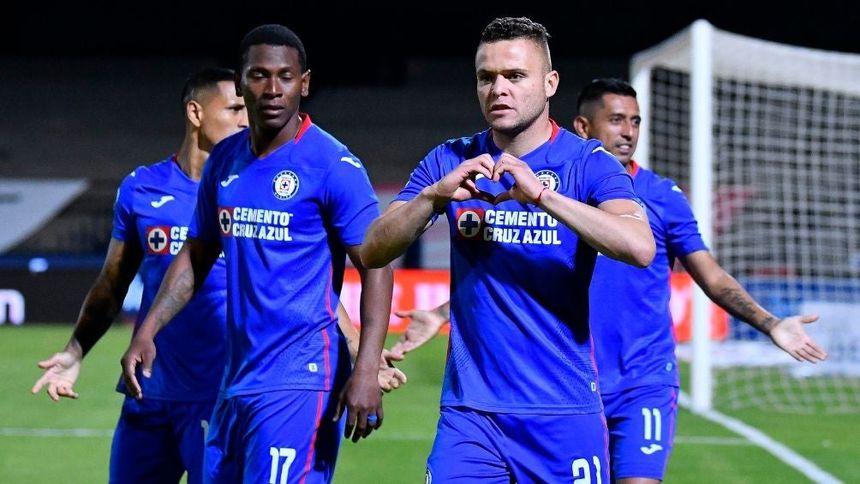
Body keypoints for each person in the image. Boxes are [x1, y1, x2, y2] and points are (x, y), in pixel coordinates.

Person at [388, 78, 829, 483]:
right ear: (583, 126)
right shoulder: (556, 185)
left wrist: (770, 322)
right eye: (616, 120)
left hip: (640, 381)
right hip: (570, 383)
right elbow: (518, 276)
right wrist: (442, 313)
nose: (628, 132)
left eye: (635, 121)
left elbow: (710, 275)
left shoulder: (661, 197)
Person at [360, 18, 655, 483]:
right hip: (471, 416)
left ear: (550, 83)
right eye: (487, 77)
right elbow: (373, 250)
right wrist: (432, 198)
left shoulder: (587, 162)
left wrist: (544, 197)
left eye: (515, 76)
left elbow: (640, 246)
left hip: (562, 412)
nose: (498, 89)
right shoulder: (450, 159)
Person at [120, 24, 393, 484]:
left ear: (304, 83)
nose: (272, 88)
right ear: (242, 82)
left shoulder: (332, 164)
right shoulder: (225, 160)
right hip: (236, 379)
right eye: (259, 75)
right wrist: (149, 330)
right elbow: (197, 253)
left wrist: (366, 368)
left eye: (285, 76)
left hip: (301, 376)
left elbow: (377, 264)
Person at [31, 67, 248, 484]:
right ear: (196, 113)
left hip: (218, 395)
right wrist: (75, 351)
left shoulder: (251, 192)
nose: (245, 120)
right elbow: (112, 284)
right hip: (146, 392)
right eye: (235, 108)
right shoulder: (142, 187)